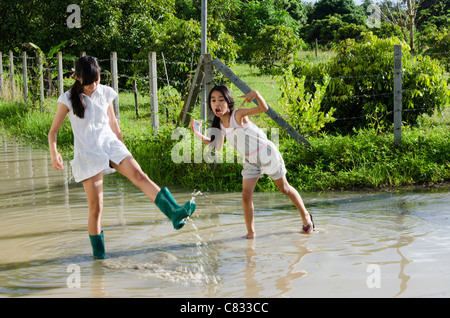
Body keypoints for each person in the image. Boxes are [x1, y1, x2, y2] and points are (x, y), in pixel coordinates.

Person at [48, 56, 195, 259]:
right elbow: (53, 131)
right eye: (89, 82)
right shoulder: (67, 99)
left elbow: (114, 124)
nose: (94, 85)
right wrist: (54, 153)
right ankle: (99, 259)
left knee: (140, 176)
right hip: (88, 153)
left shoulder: (105, 92)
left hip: (110, 145)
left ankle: (175, 213)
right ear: (78, 78)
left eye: (97, 80)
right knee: (96, 207)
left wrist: (123, 148)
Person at [191, 85, 314, 239]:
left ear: (228, 102)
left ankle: (306, 216)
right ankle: (251, 232)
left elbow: (263, 108)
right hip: (250, 159)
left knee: (284, 188)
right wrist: (198, 135)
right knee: (246, 195)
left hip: (265, 152)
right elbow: (217, 146)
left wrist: (256, 94)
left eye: (221, 100)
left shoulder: (238, 115)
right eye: (213, 100)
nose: (217, 104)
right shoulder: (220, 126)